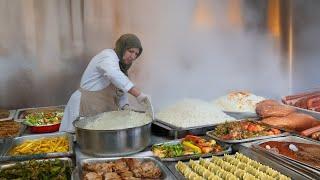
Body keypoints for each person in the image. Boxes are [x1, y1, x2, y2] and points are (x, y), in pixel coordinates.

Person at [60, 34, 150, 132]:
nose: (133, 56)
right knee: (73, 141)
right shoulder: (107, 56)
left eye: (136, 54)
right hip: (83, 108)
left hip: (96, 114)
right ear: (122, 47)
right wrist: (138, 94)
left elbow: (120, 89)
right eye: (130, 51)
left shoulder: (121, 66)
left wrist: (125, 106)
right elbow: (114, 75)